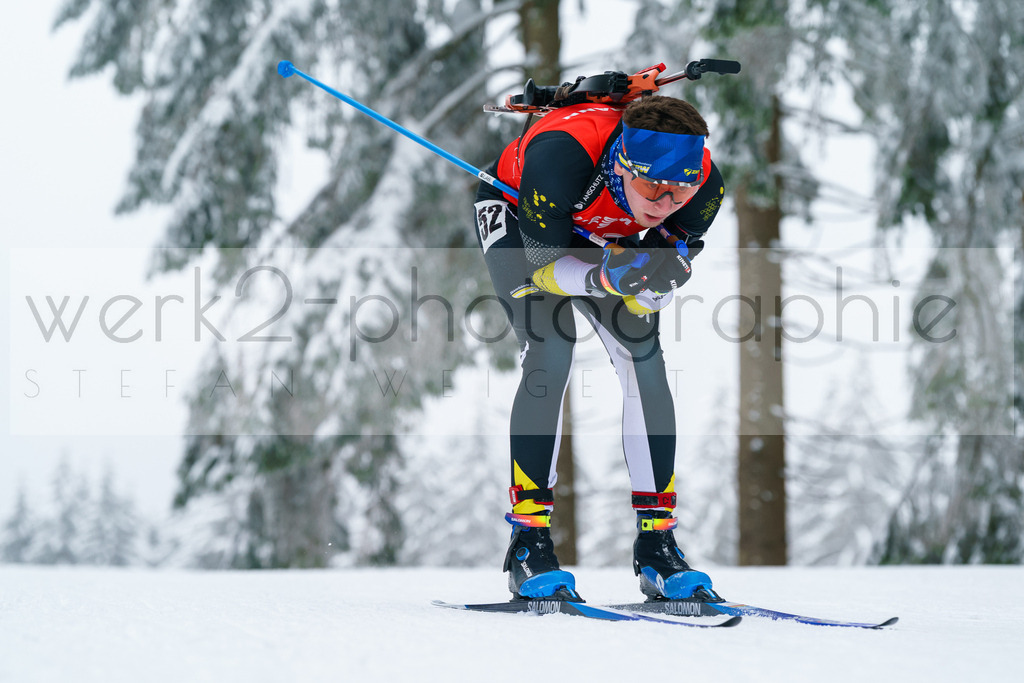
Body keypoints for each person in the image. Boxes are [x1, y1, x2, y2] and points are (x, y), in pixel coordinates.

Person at [473, 93, 725, 602]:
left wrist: (654, 286)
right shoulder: (561, 154)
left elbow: (658, 274)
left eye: (680, 191)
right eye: (652, 185)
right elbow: (546, 269)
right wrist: (605, 277)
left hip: (599, 235)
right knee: (551, 344)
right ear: (621, 164)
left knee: (644, 357)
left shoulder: (705, 189)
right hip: (522, 212)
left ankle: (658, 547)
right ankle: (529, 543)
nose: (664, 203)